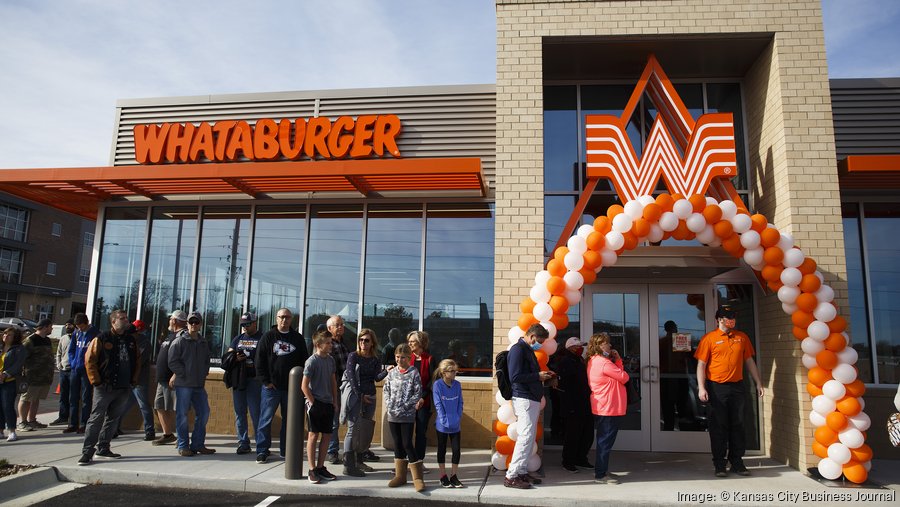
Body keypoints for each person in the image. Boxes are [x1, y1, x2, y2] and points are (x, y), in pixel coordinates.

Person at [695, 307, 764, 478]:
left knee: (738, 424)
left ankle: (737, 462)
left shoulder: (742, 337)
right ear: (718, 319)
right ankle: (719, 464)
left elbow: (749, 361)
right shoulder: (709, 339)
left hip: (737, 386)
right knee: (718, 426)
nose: (731, 320)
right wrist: (702, 387)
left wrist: (758, 382)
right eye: (728, 317)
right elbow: (701, 365)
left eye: (733, 317)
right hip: (716, 387)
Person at [77, 310, 140, 465]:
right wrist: (96, 381)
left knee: (113, 419)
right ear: (113, 321)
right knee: (96, 418)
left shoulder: (131, 340)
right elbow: (89, 360)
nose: (126, 321)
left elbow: (137, 362)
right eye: (122, 318)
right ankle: (87, 452)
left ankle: (104, 447)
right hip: (104, 386)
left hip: (123, 387)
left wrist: (133, 380)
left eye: (126, 318)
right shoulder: (102, 338)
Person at [504, 323, 555, 489]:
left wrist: (544, 377)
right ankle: (511, 476)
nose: (540, 344)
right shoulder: (518, 350)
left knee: (528, 436)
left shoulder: (527, 350)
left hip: (530, 398)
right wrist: (537, 376)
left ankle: (521, 471)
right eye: (539, 340)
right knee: (525, 437)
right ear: (532, 336)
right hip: (523, 398)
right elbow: (515, 376)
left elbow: (526, 375)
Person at [255, 307, 308, 464]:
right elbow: (259, 361)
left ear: (291, 319)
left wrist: (299, 385)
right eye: (281, 317)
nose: (284, 320)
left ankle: (286, 450)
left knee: (289, 421)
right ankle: (262, 451)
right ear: (276, 318)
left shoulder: (297, 339)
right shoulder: (268, 337)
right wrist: (266, 381)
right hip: (271, 388)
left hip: (291, 389)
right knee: (265, 420)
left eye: (287, 317)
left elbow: (304, 362)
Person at [339, 328, 388, 477]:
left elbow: (377, 378)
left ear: (372, 342)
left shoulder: (375, 359)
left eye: (366, 340)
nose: (363, 343)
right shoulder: (353, 356)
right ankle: (348, 465)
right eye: (361, 339)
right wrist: (360, 396)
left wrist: (387, 371)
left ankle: (359, 461)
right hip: (356, 397)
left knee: (365, 430)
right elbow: (352, 378)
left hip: (371, 396)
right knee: (353, 429)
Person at [168, 311, 214, 457]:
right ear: (187, 324)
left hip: (199, 385)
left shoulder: (203, 342)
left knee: (204, 412)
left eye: (196, 322)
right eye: (191, 322)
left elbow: (207, 359)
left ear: (200, 324)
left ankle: (198, 444)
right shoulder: (179, 341)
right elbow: (172, 361)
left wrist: (204, 371)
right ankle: (183, 446)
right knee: (182, 415)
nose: (193, 324)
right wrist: (184, 373)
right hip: (184, 385)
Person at [587, 332, 629, 484]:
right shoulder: (604, 363)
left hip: (604, 406)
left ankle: (601, 470)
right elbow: (624, 377)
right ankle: (600, 474)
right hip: (609, 407)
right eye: (607, 343)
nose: (610, 345)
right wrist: (618, 360)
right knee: (605, 442)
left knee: (603, 441)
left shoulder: (594, 361)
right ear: (599, 345)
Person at [384, 344, 426, 492]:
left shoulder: (414, 372)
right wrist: (390, 405)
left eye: (403, 357)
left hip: (407, 415)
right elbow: (386, 390)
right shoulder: (391, 373)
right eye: (397, 357)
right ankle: (400, 476)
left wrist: (406, 406)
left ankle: (418, 478)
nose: (399, 360)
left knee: (407, 443)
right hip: (393, 414)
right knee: (397, 443)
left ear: (409, 358)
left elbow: (417, 392)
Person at [223, 311, 262, 455]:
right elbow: (229, 355)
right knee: (239, 412)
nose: (245, 327)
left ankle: (261, 443)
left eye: (247, 324)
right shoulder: (238, 338)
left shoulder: (262, 338)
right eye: (243, 325)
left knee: (256, 413)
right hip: (239, 380)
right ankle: (243, 442)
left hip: (255, 381)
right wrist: (235, 358)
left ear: (254, 323)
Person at [302, 330, 339, 484]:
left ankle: (320, 467)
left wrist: (335, 401)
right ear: (318, 344)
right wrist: (313, 402)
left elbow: (333, 381)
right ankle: (312, 469)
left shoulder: (330, 360)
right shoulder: (312, 361)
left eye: (331, 342)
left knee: (327, 436)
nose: (331, 345)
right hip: (315, 403)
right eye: (328, 343)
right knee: (313, 435)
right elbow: (304, 386)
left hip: (328, 403)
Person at [555, 337, 593, 472]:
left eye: (581, 346)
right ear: (570, 348)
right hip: (572, 405)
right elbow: (564, 385)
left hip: (585, 403)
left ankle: (581, 458)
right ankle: (568, 461)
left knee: (587, 433)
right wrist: (569, 405)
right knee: (572, 435)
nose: (580, 349)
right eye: (578, 346)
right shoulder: (565, 362)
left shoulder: (580, 361)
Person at [152, 310, 185, 446]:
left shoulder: (183, 336)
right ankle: (168, 434)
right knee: (159, 406)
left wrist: (176, 374)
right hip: (162, 379)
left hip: (172, 380)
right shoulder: (170, 335)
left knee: (177, 409)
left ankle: (182, 438)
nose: (169, 321)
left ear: (175, 320)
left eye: (171, 318)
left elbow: (185, 358)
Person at [118, 319, 155, 441]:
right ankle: (115, 426)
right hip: (128, 379)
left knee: (143, 405)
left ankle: (149, 431)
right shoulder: (126, 341)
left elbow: (139, 360)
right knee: (124, 404)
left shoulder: (144, 343)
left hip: (139, 380)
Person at [407, 330, 437, 471]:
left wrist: (421, 397)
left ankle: (419, 462)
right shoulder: (407, 358)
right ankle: (407, 461)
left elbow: (432, 382)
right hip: (406, 401)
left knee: (420, 432)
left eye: (412, 341)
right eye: (409, 341)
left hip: (423, 402)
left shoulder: (429, 359)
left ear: (420, 343)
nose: (410, 344)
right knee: (406, 432)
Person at [18, 318, 54, 432]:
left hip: (44, 377)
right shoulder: (30, 340)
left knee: (36, 399)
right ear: (45, 327)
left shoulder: (47, 340)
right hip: (31, 377)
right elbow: (21, 358)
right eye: (50, 327)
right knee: (26, 398)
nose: (52, 329)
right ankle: (22, 422)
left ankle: (32, 420)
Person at [433, 359, 464, 488]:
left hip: (455, 424)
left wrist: (458, 417)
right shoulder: (437, 385)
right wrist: (444, 420)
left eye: (455, 370)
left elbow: (460, 403)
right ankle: (443, 475)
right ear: (444, 372)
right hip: (442, 425)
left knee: (456, 450)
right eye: (451, 371)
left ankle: (454, 475)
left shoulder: (457, 385)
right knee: (442, 449)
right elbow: (438, 404)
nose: (454, 373)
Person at [659, 320, 695, 431]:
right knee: (682, 405)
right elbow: (692, 357)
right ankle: (683, 430)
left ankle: (668, 429)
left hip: (665, 377)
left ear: (665, 329)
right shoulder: (679, 339)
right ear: (674, 328)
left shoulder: (661, 342)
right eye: (675, 327)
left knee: (667, 406)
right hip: (679, 376)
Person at [66, 313, 98, 434]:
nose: (80, 328)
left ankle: (84, 423)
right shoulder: (77, 333)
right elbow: (72, 349)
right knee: (73, 397)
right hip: (75, 368)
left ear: (87, 323)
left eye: (82, 326)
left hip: (86, 370)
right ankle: (73, 423)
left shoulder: (94, 333)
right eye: (78, 326)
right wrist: (73, 362)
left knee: (86, 397)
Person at [325, 315, 350, 465]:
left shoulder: (345, 344)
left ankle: (351, 451)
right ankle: (332, 451)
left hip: (347, 387)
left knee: (350, 420)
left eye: (342, 324)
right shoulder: (327, 345)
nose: (341, 327)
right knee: (334, 422)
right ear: (329, 328)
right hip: (332, 388)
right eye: (337, 325)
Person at [0, 327, 26, 442]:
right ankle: (0, 431)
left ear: (15, 337)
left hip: (10, 381)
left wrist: (6, 374)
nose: (6, 336)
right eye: (5, 334)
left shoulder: (19, 349)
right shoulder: (1, 347)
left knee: (7, 406)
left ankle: (11, 431)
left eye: (9, 334)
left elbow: (18, 364)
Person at [51, 318, 75, 425]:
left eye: (69, 325)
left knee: (73, 395)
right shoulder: (63, 338)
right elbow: (59, 352)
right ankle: (62, 416)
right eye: (66, 325)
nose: (67, 327)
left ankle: (72, 417)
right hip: (63, 370)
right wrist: (58, 364)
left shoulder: (78, 337)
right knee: (63, 395)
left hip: (73, 370)